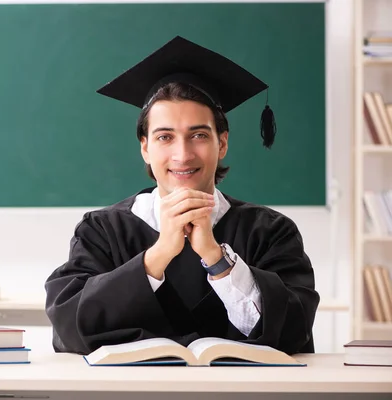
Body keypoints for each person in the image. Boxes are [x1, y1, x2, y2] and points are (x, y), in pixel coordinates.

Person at [44, 36, 320, 356]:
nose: (182, 154)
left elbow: (293, 333)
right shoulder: (102, 231)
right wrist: (158, 255)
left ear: (223, 143)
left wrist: (217, 259)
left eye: (199, 135)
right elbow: (72, 327)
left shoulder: (269, 232)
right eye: (165, 137)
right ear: (145, 148)